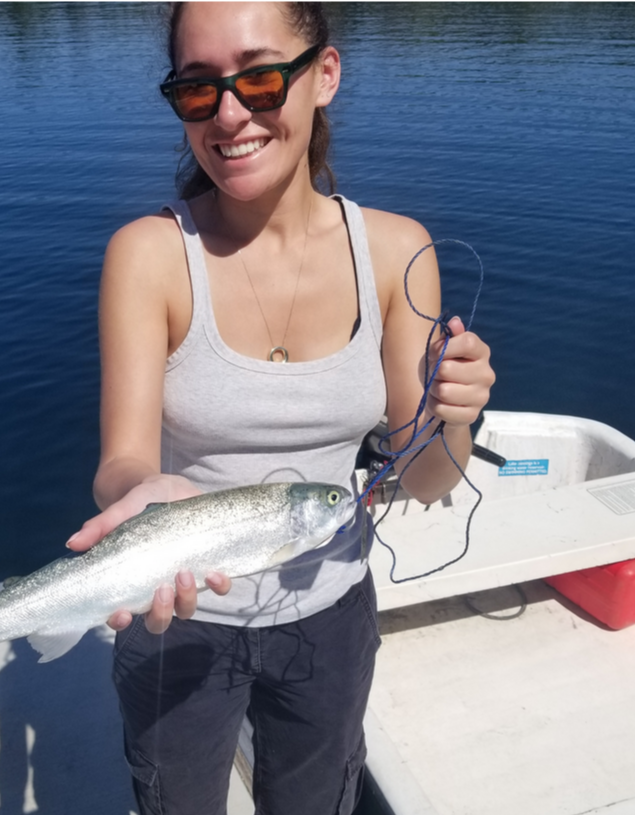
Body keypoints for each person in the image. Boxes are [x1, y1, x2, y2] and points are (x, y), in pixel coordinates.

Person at [67, 2, 495, 813]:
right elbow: (121, 461)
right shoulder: (148, 255)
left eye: (260, 78)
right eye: (197, 89)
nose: (229, 115)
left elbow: (427, 478)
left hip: (330, 617)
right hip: (177, 613)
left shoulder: (396, 251)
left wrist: (454, 415)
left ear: (323, 75)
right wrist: (139, 494)